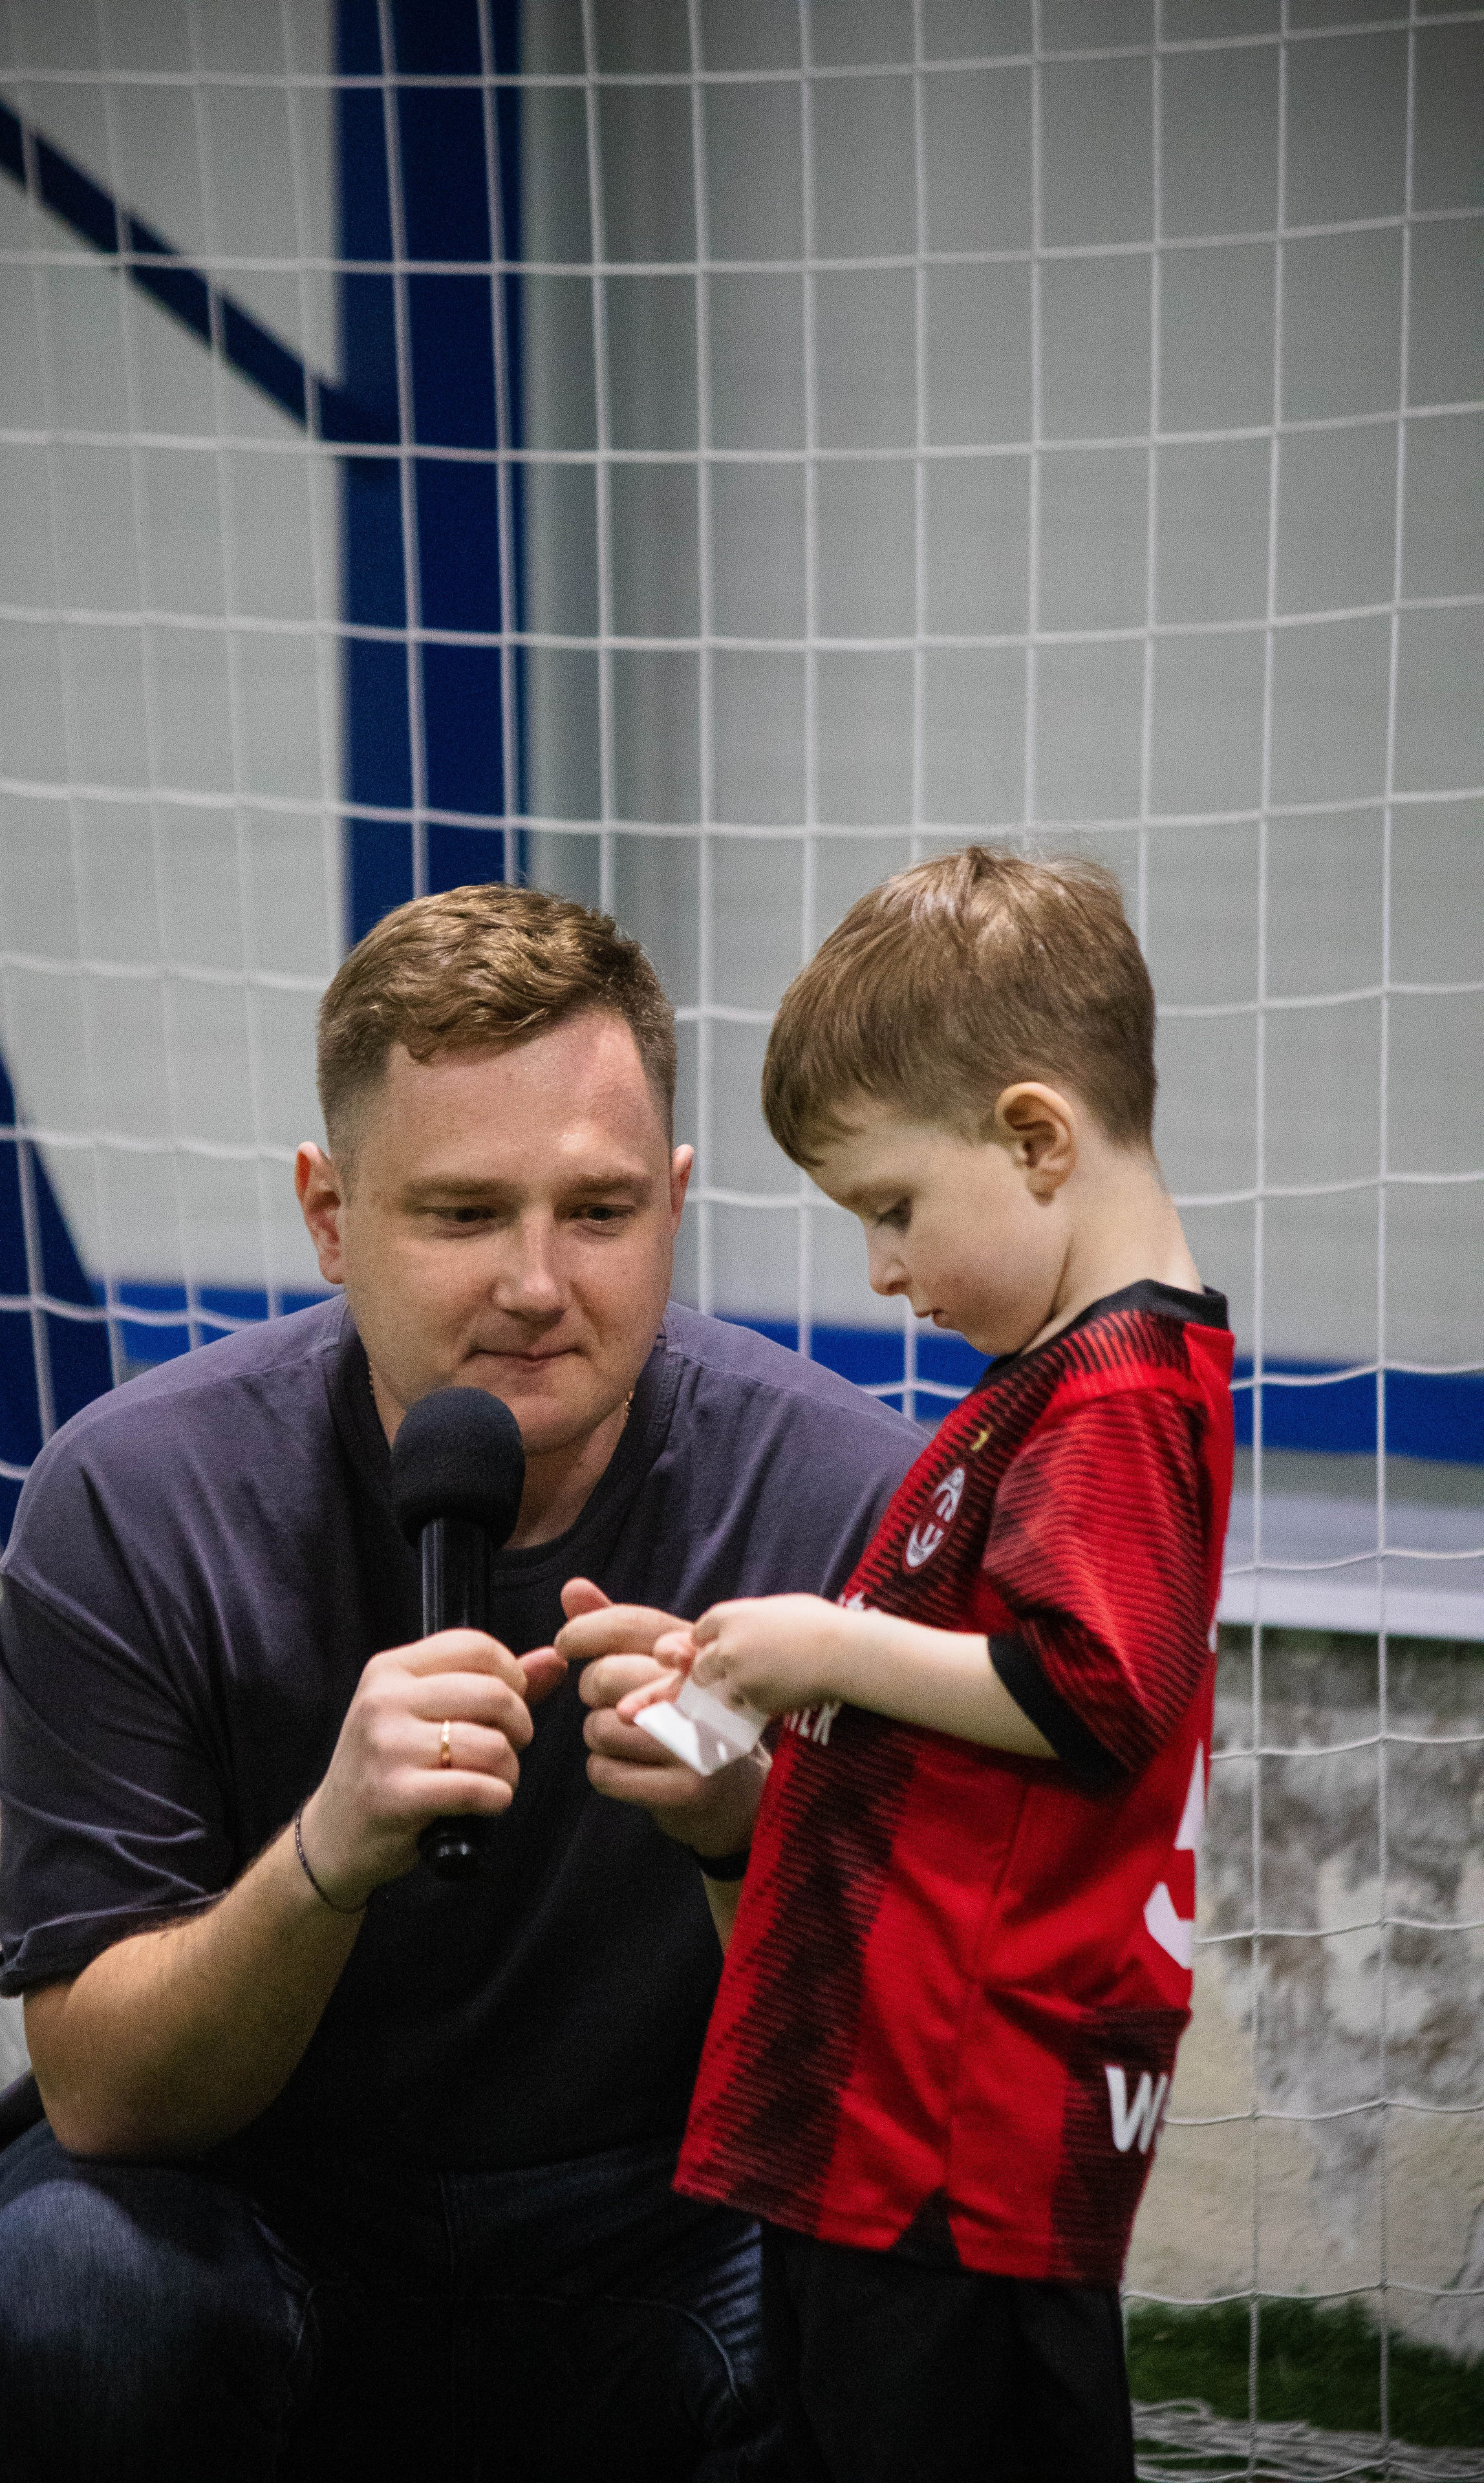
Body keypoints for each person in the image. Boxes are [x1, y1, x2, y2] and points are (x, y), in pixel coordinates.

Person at [0, 885, 922, 2482]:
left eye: (596, 1214)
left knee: (906, 2280)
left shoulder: (843, 1502)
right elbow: (104, 2097)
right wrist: (323, 1861)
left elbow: (884, 2090)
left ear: (674, 1202)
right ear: (328, 1215)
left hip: (663, 2223)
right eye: (462, 1215)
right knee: (77, 2295)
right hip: (258, 2204)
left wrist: (745, 1838)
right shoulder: (133, 1495)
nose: (536, 1284)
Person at [619, 850, 1234, 2483]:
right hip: (891, 2117)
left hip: (959, 2147)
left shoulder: (1112, 1396)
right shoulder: (1069, 1377)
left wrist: (828, 1642)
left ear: (1034, 1138)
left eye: (890, 1210)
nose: (881, 1270)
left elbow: (1089, 1692)